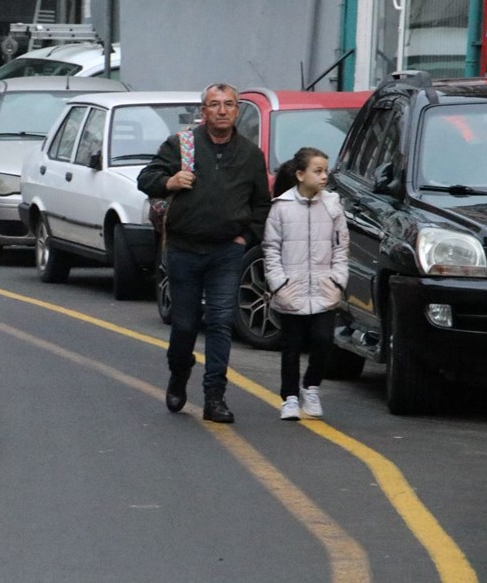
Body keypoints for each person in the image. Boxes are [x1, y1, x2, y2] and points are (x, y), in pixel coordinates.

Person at [137, 82, 270, 423]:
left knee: (221, 323)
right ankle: (179, 373)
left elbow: (261, 205)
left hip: (227, 252)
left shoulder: (250, 155)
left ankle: (215, 397)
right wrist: (170, 181)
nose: (222, 110)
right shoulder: (182, 146)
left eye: (228, 104)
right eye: (215, 104)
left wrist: (246, 237)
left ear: (237, 111)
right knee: (184, 326)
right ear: (204, 111)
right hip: (184, 249)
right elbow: (146, 178)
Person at [262, 147, 349, 420]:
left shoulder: (333, 206)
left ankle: (311, 387)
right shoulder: (281, 208)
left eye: (326, 171)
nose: (324, 176)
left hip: (324, 288)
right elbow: (271, 248)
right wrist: (279, 283)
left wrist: (338, 280)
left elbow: (341, 247)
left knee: (323, 341)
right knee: (291, 347)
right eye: (317, 171)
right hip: (292, 289)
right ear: (300, 175)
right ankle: (289, 397)